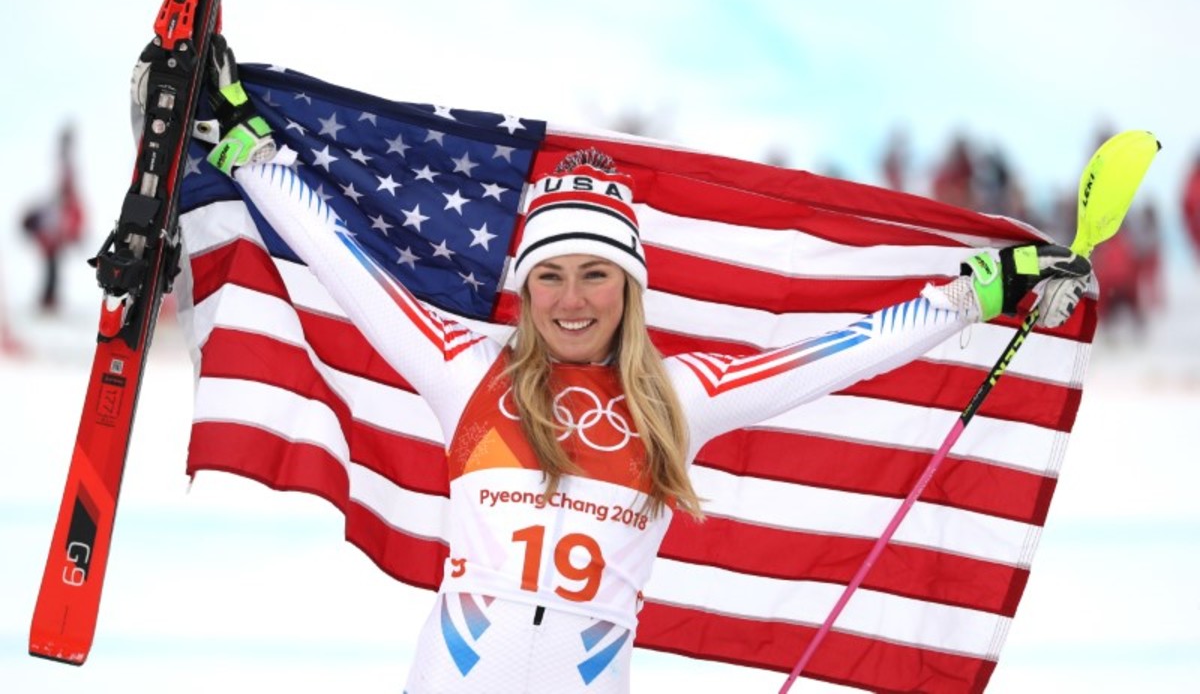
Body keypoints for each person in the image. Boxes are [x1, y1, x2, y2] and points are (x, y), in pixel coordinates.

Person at [200, 47, 1091, 694]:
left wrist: (980, 291)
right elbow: (347, 263)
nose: (572, 299)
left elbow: (842, 353)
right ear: (525, 288)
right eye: (550, 275)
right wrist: (249, 153)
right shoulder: (463, 369)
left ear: (629, 288)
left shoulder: (677, 397)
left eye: (596, 275)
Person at [20, 124, 85, 313]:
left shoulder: (61, 211)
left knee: (52, 267)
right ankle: (48, 299)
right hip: (55, 227)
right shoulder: (58, 216)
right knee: (52, 267)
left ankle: (49, 299)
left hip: (56, 226)